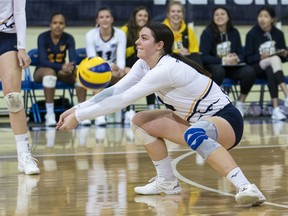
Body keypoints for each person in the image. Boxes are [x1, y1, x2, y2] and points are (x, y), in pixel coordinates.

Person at [56, 22, 266, 206]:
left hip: (226, 120)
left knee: (195, 134)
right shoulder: (143, 64)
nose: (137, 41)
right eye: (138, 37)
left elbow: (122, 100)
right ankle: (167, 181)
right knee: (139, 121)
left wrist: (79, 118)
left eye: (144, 38)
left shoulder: (166, 69)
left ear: (159, 45)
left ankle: (246, 187)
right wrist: (77, 108)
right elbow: (115, 91)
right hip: (193, 120)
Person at [0, 0, 40, 174]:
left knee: (13, 97)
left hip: (8, 36)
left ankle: (24, 155)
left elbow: (19, 11)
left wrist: (22, 47)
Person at [200, 6, 256, 117]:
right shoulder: (207, 33)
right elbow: (204, 57)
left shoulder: (234, 32)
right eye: (217, 14)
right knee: (219, 71)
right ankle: (213, 104)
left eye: (222, 14)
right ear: (213, 18)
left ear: (228, 17)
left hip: (232, 67)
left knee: (250, 71)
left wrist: (236, 58)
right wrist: (223, 60)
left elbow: (241, 54)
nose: (219, 16)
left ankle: (240, 102)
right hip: (214, 66)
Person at [34, 12, 88, 127]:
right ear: (50, 25)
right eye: (55, 23)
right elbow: (43, 61)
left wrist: (70, 66)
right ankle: (50, 114)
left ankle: (82, 112)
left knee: (79, 73)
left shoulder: (68, 38)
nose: (57, 26)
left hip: (60, 71)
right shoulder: (43, 37)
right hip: (42, 71)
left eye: (61, 23)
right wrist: (61, 66)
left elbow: (73, 59)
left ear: (65, 25)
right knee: (50, 73)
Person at [85, 6, 128, 126]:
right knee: (98, 79)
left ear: (112, 19)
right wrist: (109, 67)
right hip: (97, 69)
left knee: (126, 73)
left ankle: (127, 110)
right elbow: (93, 60)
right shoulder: (90, 35)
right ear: (97, 20)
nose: (104, 20)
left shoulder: (120, 34)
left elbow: (121, 59)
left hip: (114, 71)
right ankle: (99, 114)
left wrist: (119, 68)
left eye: (107, 17)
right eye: (101, 17)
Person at [245, 6, 288, 120]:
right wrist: (260, 56)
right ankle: (287, 93)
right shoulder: (252, 34)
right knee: (273, 59)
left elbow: (283, 59)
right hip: (256, 68)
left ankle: (276, 109)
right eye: (260, 16)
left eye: (265, 16)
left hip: (271, 70)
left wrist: (284, 54)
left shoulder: (278, 34)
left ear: (272, 19)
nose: (262, 19)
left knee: (272, 66)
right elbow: (248, 58)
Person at [121, 6, 156, 124]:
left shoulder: (152, 32)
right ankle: (129, 109)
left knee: (151, 74)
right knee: (130, 76)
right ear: (135, 17)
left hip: (145, 63)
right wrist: (136, 48)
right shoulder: (124, 30)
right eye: (140, 15)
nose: (143, 18)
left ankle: (151, 108)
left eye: (145, 16)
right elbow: (121, 53)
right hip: (127, 64)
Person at [163, 0, 203, 66]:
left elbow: (195, 51)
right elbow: (158, 52)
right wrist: (177, 53)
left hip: (185, 63)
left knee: (196, 57)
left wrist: (187, 53)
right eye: (173, 11)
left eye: (179, 11)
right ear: (168, 14)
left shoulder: (188, 30)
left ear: (183, 15)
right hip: (167, 63)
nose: (176, 14)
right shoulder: (161, 29)